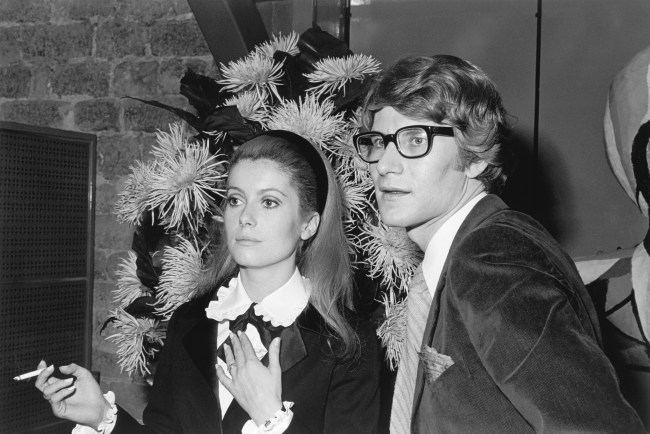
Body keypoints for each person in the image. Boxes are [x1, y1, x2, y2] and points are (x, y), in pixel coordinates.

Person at [354, 54, 647, 433]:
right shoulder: (463, 255)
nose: (384, 165)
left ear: (475, 157)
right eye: (377, 142)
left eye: (414, 139)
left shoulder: (493, 256)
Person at [36, 130, 381, 433]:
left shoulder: (348, 344)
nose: (245, 217)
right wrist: (102, 417)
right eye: (235, 199)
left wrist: (272, 418)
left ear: (308, 224)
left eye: (269, 202)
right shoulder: (190, 320)